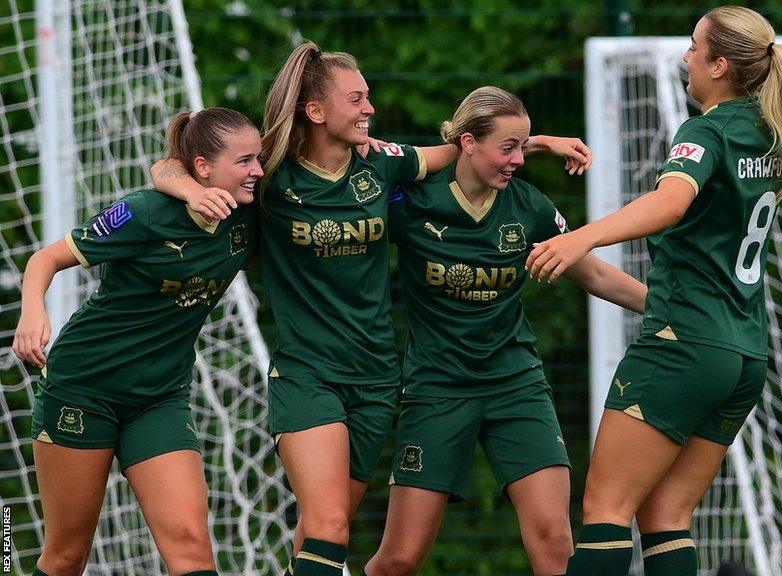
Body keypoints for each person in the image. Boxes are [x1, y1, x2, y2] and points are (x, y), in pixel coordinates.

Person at [150, 42, 592, 576]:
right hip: (308, 373)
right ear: (315, 112)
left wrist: (537, 142)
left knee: (324, 531)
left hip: (377, 378)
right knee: (330, 527)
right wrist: (187, 190)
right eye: (356, 99)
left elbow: (460, 148)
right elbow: (179, 162)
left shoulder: (383, 165)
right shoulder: (269, 171)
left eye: (369, 98)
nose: (370, 109)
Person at [526, 6, 782, 576]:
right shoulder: (771, 135)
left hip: (683, 345)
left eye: (695, 47)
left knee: (605, 509)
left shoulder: (708, 129)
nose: (684, 57)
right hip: (743, 352)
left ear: (720, 65)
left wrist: (583, 239)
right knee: (666, 516)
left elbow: (671, 203)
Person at [362, 86, 646, 576]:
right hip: (438, 387)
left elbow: (594, 273)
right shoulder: (410, 198)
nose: (517, 159)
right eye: (508, 147)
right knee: (400, 559)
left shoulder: (529, 207)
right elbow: (353, 168)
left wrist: (671, 312)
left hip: (516, 383)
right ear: (467, 143)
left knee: (556, 541)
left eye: (523, 146)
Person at [13, 107, 262, 576]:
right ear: (204, 167)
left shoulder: (246, 217)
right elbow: (44, 260)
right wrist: (32, 313)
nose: (258, 171)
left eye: (260, 159)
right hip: (83, 390)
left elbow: (171, 165)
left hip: (159, 400)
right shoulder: (144, 211)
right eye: (245, 160)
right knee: (66, 557)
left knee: (192, 549)